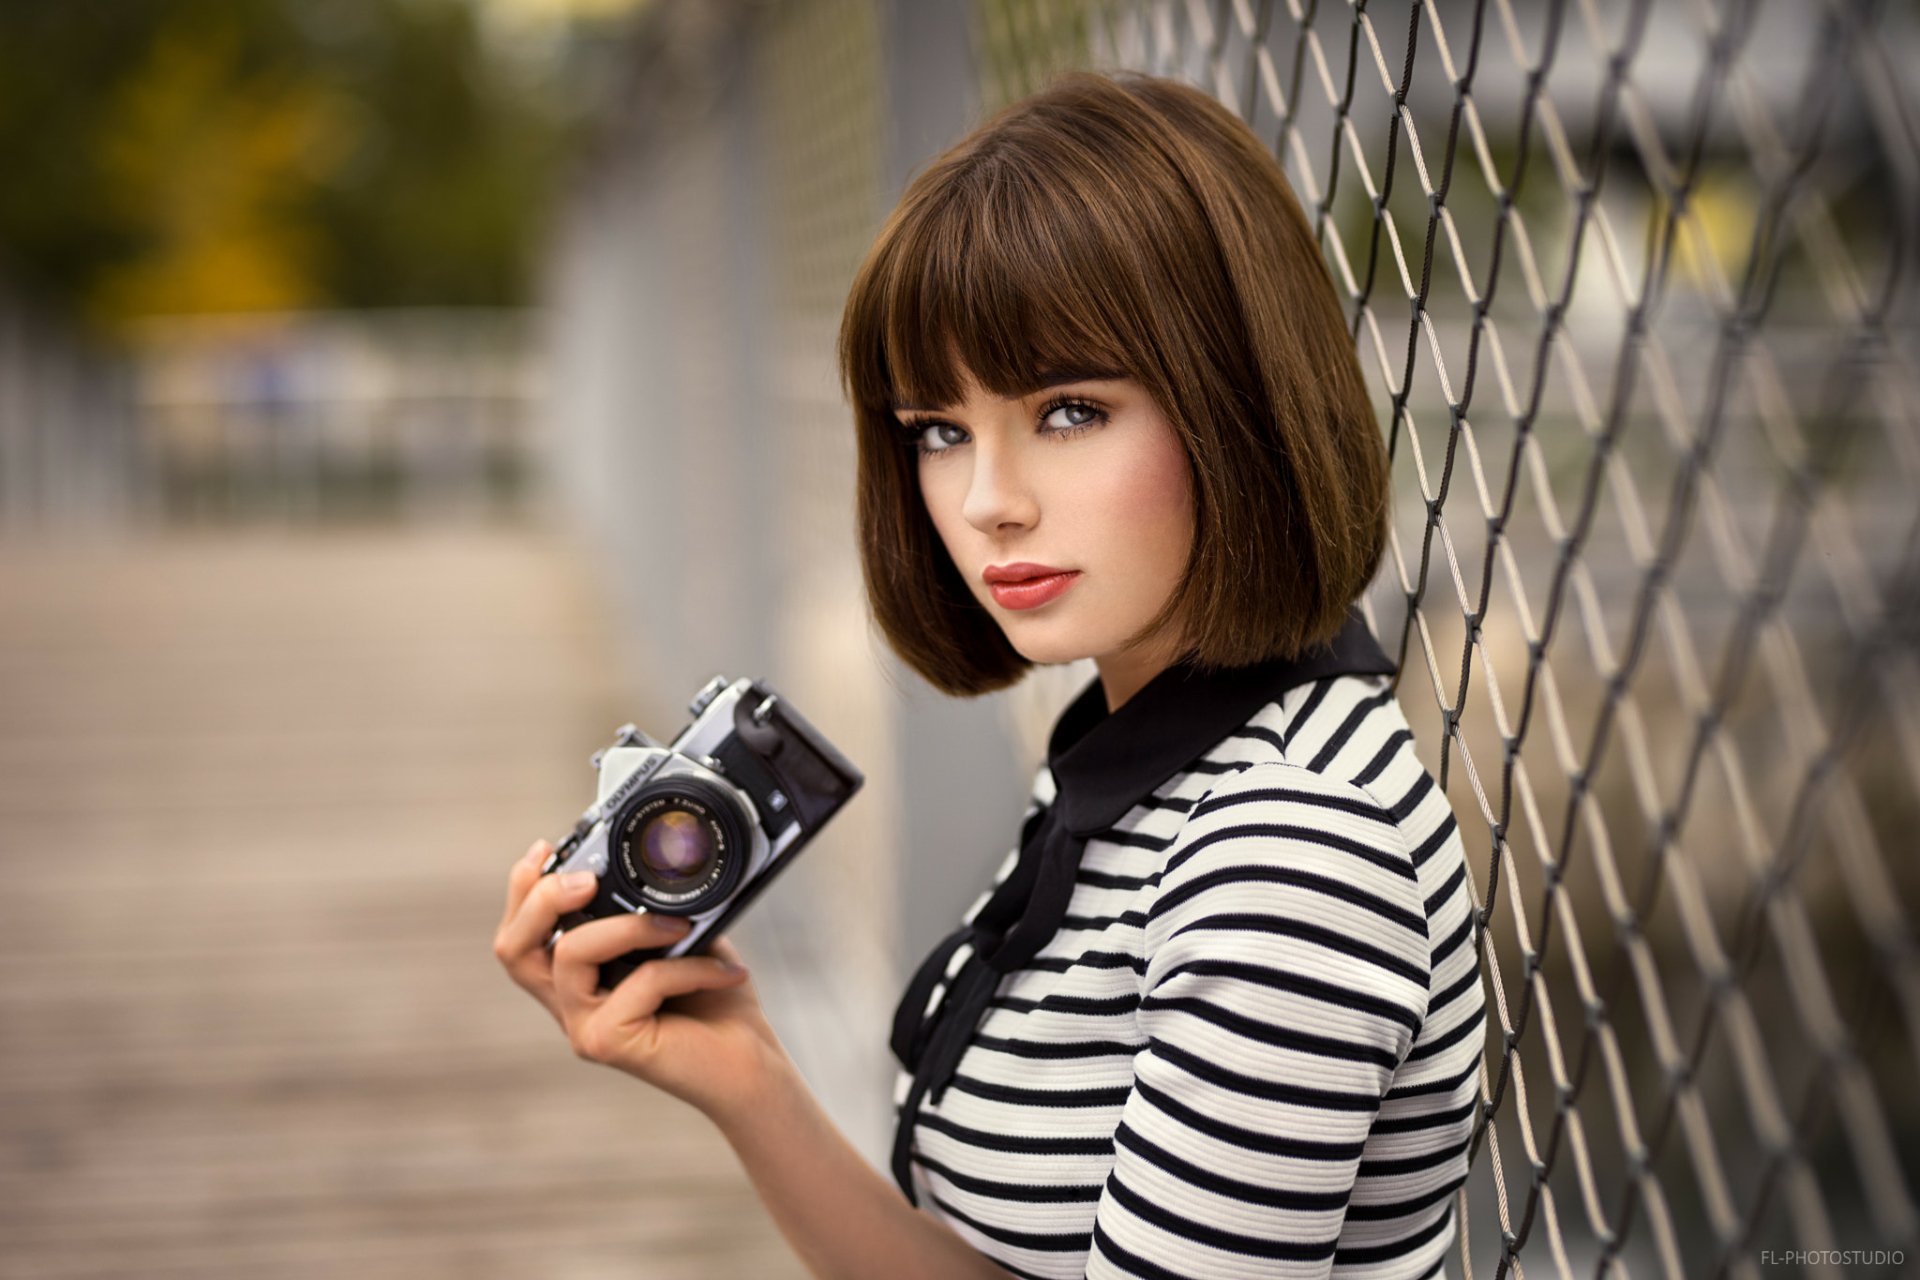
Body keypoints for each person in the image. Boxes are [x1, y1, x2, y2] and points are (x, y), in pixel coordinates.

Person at [494, 69, 1486, 1280]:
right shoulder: (1155, 751)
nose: (986, 502)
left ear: (1239, 399)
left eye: (1068, 411)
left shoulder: (1286, 843)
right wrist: (745, 1075)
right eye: (939, 430)